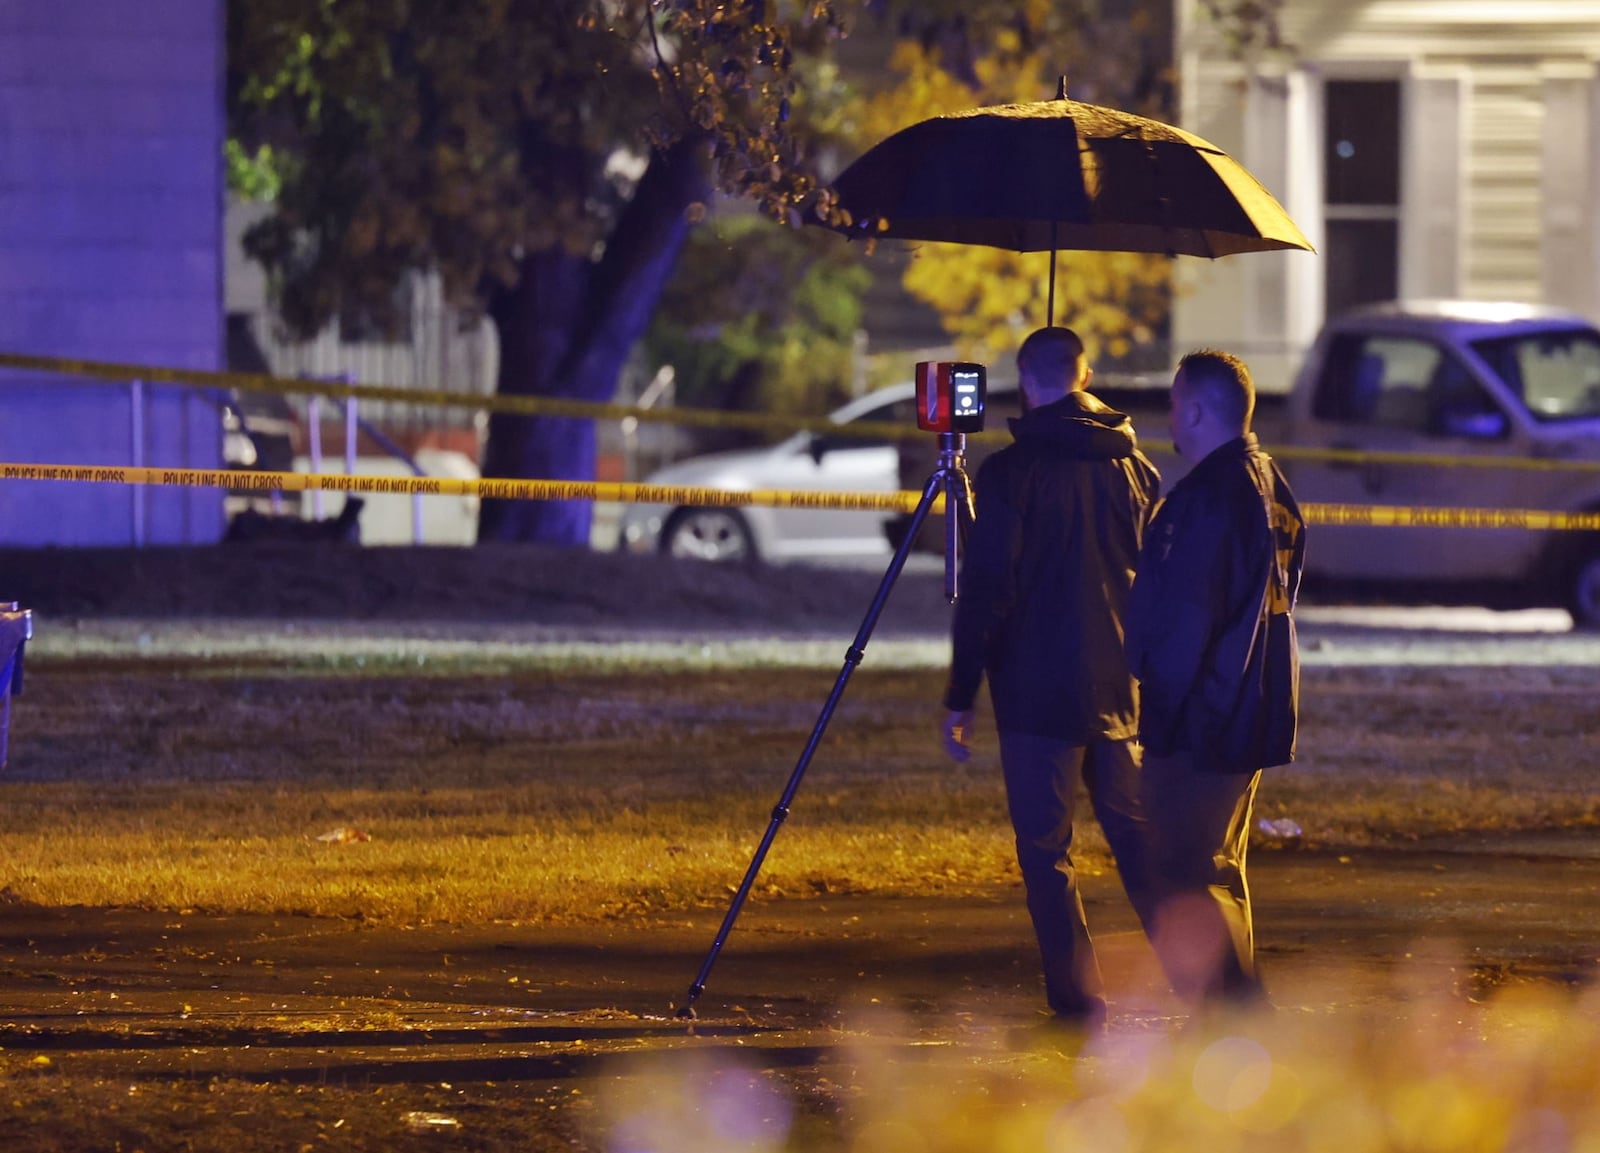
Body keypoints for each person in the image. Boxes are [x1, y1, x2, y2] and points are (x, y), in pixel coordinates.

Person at [940, 326, 1162, 1032]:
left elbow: (985, 591)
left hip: (1035, 690)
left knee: (1045, 849)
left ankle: (1076, 995)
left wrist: (961, 693)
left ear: (1023, 379)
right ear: (1087, 374)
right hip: (1120, 685)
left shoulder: (1010, 474)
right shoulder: (1138, 469)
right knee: (1134, 835)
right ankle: (1201, 969)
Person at [1124, 348, 1307, 1009]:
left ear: (1196, 409)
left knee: (1180, 871)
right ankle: (1232, 1021)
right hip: (1253, 709)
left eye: (1175, 402)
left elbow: (1182, 625)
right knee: (1221, 871)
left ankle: (1235, 1020)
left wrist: (1160, 717)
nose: (1170, 414)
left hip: (1203, 719)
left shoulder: (1203, 502)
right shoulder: (1271, 485)